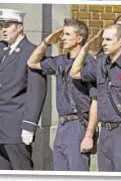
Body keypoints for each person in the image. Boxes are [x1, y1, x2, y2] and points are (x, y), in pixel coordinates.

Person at [69, 24, 121, 172]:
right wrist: (85, 48)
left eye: (108, 39)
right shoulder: (101, 63)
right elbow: (74, 73)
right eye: (102, 39)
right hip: (105, 132)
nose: (103, 43)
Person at [27, 18, 96, 171]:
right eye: (62, 34)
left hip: (78, 124)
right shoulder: (60, 61)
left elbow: (95, 102)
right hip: (62, 125)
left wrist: (89, 135)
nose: (62, 38)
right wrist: (47, 42)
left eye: (67, 34)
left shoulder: (89, 64)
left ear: (79, 39)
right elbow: (31, 62)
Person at [0, 9, 46, 170]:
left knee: (21, 174)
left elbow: (36, 92)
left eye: (7, 25)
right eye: (1, 26)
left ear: (20, 27)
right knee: (2, 174)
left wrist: (29, 126)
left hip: (16, 128)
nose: (3, 29)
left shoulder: (32, 51)